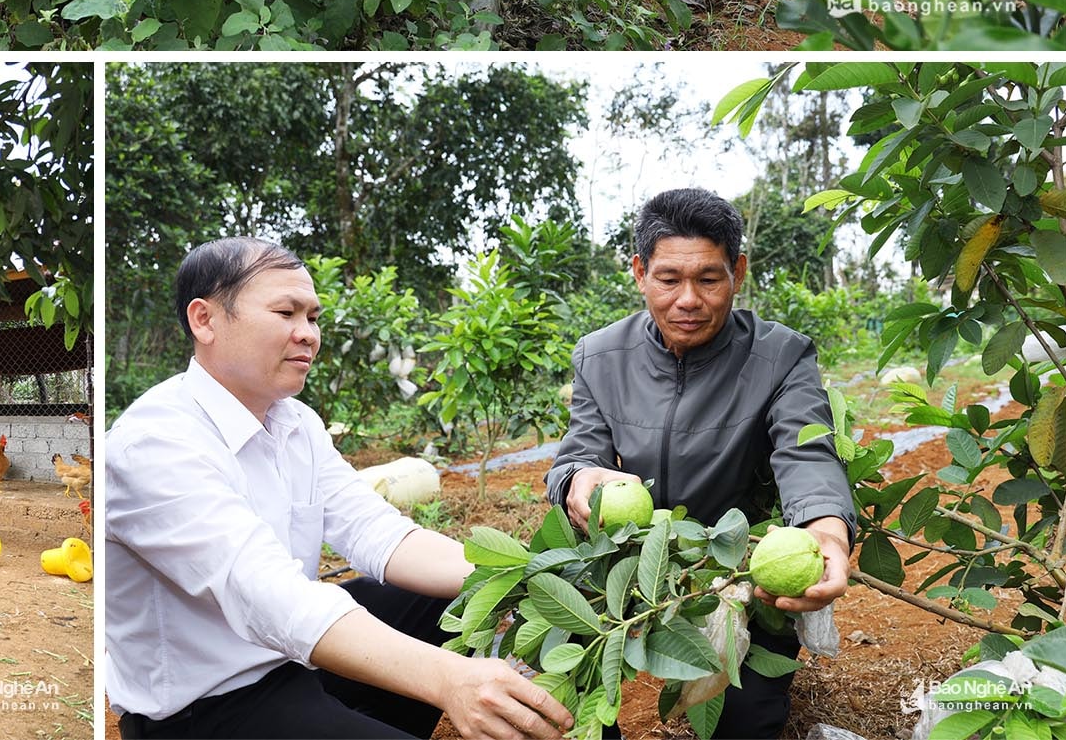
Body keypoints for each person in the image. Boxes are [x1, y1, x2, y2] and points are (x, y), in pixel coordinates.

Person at [106, 237, 572, 739]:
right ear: (206, 320)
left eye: (313, 317)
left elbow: (380, 534)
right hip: (207, 710)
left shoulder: (295, 422)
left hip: (290, 662)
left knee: (441, 598)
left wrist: (532, 576)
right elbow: (270, 597)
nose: (307, 334)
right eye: (286, 312)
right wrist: (448, 679)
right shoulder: (153, 444)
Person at [546, 188, 854, 740]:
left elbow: (806, 452)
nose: (688, 299)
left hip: (737, 570)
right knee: (571, 703)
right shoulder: (598, 355)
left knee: (744, 719)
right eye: (668, 279)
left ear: (737, 271)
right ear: (640, 272)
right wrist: (577, 480)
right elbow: (579, 453)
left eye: (709, 279)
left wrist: (826, 531)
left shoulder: (782, 356)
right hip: (627, 568)